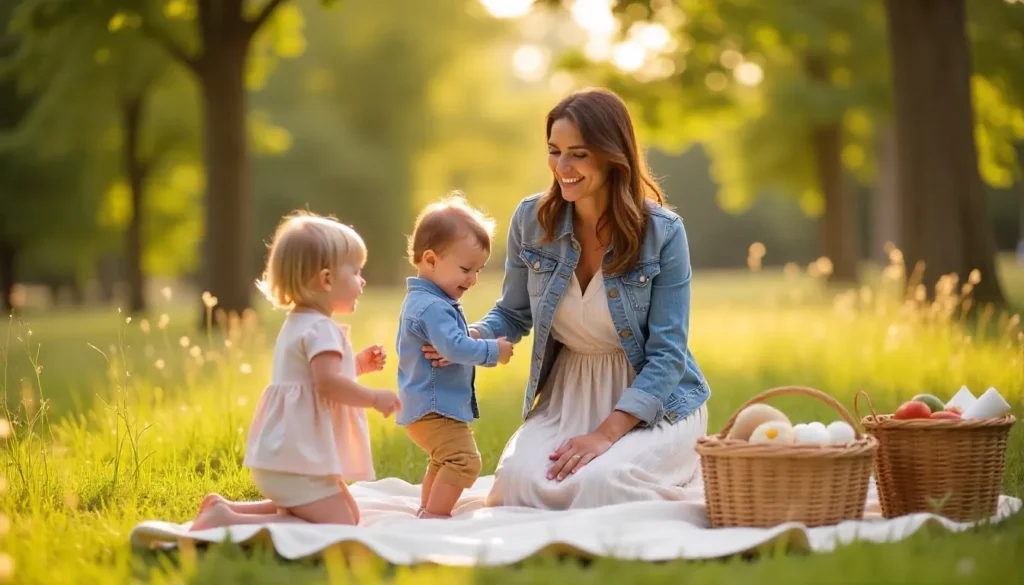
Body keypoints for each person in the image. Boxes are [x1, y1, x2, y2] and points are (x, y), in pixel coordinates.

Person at [423, 88, 711, 509]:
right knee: (515, 485)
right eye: (554, 151)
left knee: (603, 485)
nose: (562, 167)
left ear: (612, 155)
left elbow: (668, 355)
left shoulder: (663, 233)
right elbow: (513, 312)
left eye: (578, 154)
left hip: (654, 402)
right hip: (569, 393)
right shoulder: (531, 220)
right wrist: (469, 337)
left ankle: (678, 464)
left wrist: (605, 433)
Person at [191, 211, 401, 530]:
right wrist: (373, 397)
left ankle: (231, 508)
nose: (363, 281)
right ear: (326, 279)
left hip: (284, 458)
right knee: (343, 521)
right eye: (356, 272)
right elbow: (328, 384)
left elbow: (315, 379)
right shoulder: (321, 329)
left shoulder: (298, 324)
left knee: (349, 512)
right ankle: (229, 520)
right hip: (298, 461)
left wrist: (356, 364)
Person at [396, 194, 516, 519]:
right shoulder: (433, 307)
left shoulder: (427, 300)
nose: (473, 280)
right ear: (431, 260)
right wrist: (494, 351)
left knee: (444, 459)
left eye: (478, 270)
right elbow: (453, 348)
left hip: (427, 404)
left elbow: (449, 345)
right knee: (465, 461)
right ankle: (435, 516)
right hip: (432, 407)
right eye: (466, 269)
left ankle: (427, 508)